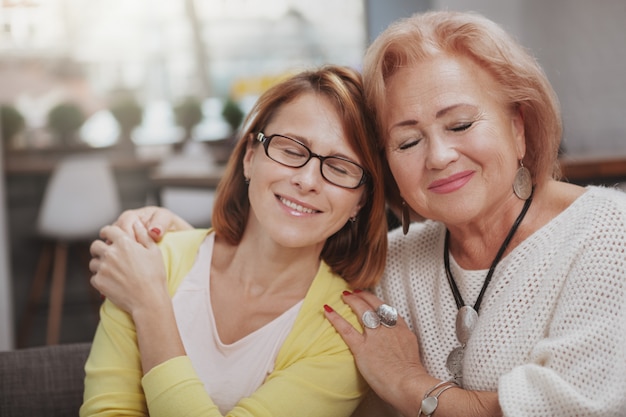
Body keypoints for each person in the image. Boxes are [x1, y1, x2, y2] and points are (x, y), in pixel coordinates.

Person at [106, 11, 626, 417]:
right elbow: (293, 240)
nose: (439, 155)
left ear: (519, 127)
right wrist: (173, 240)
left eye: (461, 124)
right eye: (407, 139)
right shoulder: (391, 262)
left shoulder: (607, 235)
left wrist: (410, 385)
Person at [81, 65, 389, 417]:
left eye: (340, 167)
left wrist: (150, 306)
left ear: (361, 201)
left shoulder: (345, 333)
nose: (307, 180)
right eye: (291, 150)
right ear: (249, 158)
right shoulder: (152, 259)